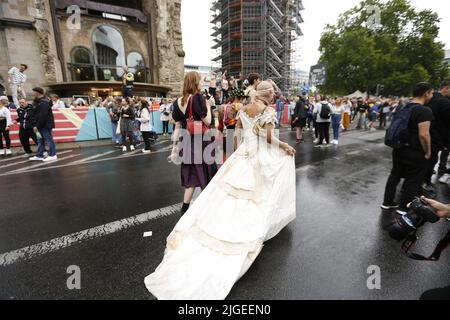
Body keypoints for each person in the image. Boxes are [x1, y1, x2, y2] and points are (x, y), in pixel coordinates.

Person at [145, 80, 296, 300]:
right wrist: (285, 146)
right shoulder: (268, 111)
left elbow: (237, 137)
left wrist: (235, 155)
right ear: (268, 95)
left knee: (228, 196)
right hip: (258, 157)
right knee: (256, 195)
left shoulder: (243, 109)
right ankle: (249, 228)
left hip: (242, 155)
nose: (274, 96)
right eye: (273, 92)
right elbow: (269, 137)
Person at [167, 71, 217, 214]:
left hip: (185, 141)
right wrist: (209, 105)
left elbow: (177, 126)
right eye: (200, 81)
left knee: (191, 177)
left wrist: (174, 149)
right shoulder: (198, 98)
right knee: (206, 174)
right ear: (195, 82)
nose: (201, 83)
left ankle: (184, 208)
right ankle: (209, 209)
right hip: (200, 142)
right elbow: (207, 121)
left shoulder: (177, 102)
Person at [381, 82, 434, 215]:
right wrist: (428, 151)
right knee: (413, 179)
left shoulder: (403, 107)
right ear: (426, 93)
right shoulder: (424, 110)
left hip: (399, 147)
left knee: (395, 174)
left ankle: (387, 203)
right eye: (431, 93)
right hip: (415, 150)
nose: (432, 96)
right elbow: (424, 134)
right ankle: (404, 208)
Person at [422, 79, 450, 195]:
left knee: (425, 160)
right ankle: (425, 182)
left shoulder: (430, 99)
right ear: (446, 88)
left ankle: (422, 181)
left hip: (426, 136)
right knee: (431, 160)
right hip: (435, 138)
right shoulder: (443, 102)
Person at [29, 87, 58, 162]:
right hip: (40, 125)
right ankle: (40, 155)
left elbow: (42, 116)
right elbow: (36, 114)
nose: (32, 93)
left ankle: (53, 154)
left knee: (48, 139)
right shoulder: (38, 101)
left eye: (34, 91)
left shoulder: (44, 102)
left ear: (38, 92)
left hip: (45, 125)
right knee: (40, 140)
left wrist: (37, 126)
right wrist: (35, 125)